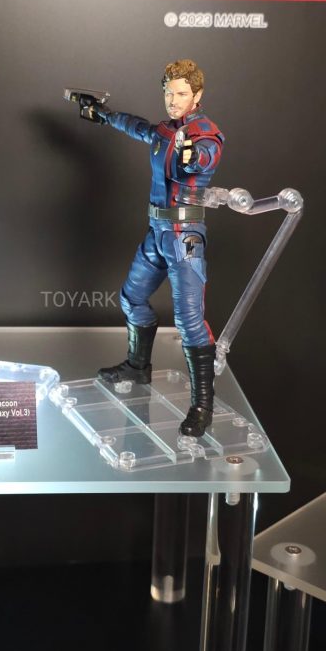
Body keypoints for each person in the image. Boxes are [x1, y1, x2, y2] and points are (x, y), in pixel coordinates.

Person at [79, 59, 224, 437]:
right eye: (168, 93)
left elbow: (206, 155)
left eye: (181, 94)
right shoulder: (164, 130)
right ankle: (138, 366)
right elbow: (138, 127)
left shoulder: (204, 133)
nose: (173, 100)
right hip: (157, 232)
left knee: (189, 321)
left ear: (197, 95)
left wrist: (193, 155)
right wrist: (103, 114)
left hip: (184, 236)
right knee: (131, 298)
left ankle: (202, 405)